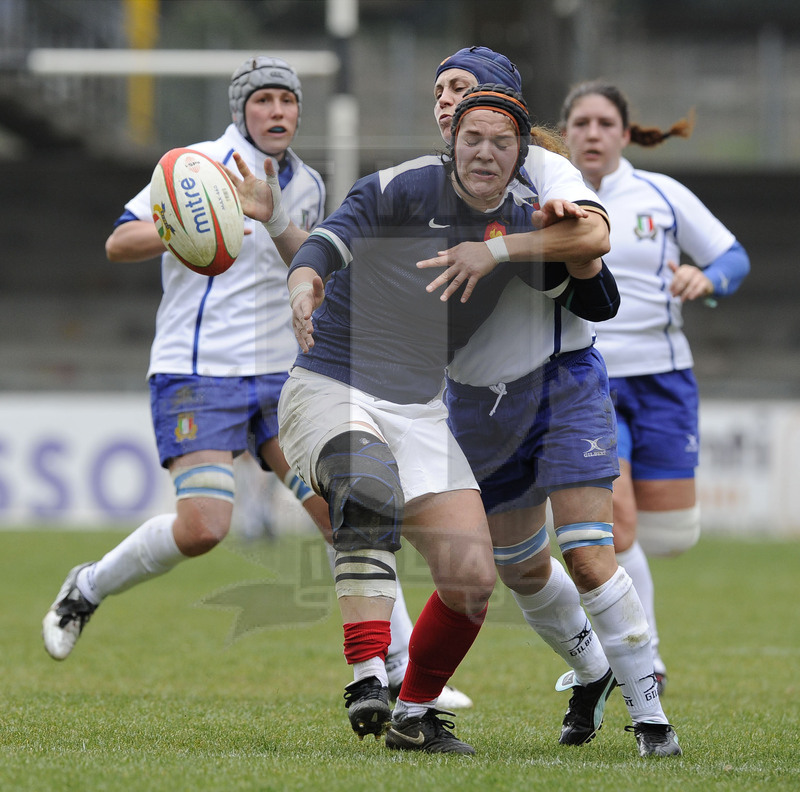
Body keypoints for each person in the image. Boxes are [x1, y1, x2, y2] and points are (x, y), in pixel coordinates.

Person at [251, 84, 616, 755]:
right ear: (451, 143)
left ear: (521, 153)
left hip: (420, 406)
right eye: (471, 136)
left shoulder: (523, 224)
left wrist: (559, 233)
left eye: (501, 142)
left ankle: (414, 716)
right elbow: (331, 239)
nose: (484, 151)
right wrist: (304, 279)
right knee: (367, 486)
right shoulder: (404, 185)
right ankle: (366, 675)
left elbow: (598, 282)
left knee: (473, 578)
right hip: (334, 381)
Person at [427, 47, 682, 758]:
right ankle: (591, 668)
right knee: (520, 567)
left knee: (589, 553)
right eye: (440, 88)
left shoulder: (547, 167)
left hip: (562, 381)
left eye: (464, 87)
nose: (448, 99)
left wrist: (504, 249)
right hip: (478, 402)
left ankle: (651, 717)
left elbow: (594, 235)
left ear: (505, 102)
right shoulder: (423, 188)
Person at [41, 55, 331, 660]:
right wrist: (192, 220)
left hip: (280, 376)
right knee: (204, 527)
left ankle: (406, 673)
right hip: (200, 371)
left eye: (287, 100)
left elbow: (311, 267)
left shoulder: (307, 185)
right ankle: (85, 588)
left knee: (342, 515)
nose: (277, 111)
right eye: (263, 100)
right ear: (240, 110)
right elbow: (120, 241)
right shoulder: (192, 167)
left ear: (299, 110)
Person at [559, 80, 750, 694]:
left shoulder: (661, 196)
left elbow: (733, 257)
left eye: (603, 123)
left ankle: (629, 643)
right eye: (581, 123)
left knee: (671, 535)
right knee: (619, 527)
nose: (592, 133)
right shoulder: (549, 196)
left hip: (666, 378)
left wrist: (706, 279)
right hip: (589, 379)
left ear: (623, 132)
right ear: (565, 134)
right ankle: (647, 661)